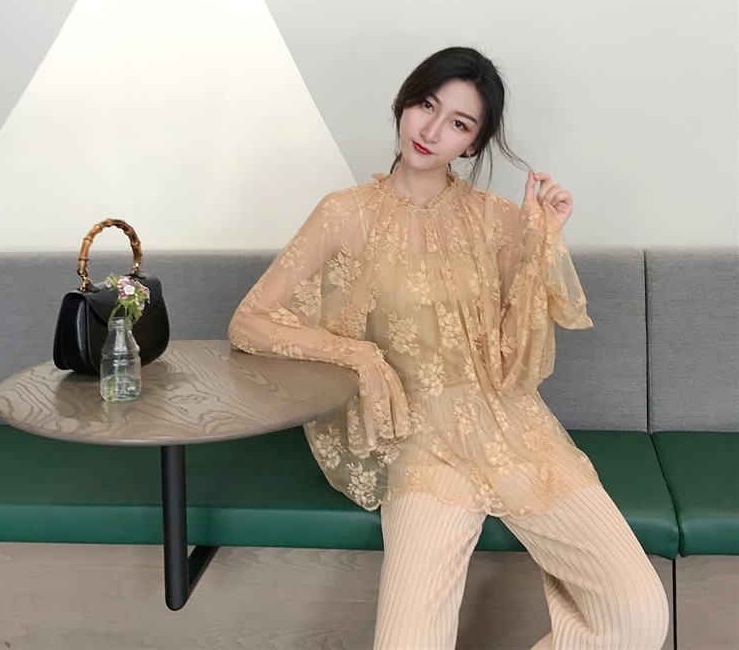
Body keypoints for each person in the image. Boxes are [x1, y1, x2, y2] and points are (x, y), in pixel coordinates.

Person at [229, 47, 669, 650]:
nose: (432, 130)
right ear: (404, 104)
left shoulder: (498, 220)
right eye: (426, 105)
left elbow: (516, 358)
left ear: (473, 143)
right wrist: (358, 355)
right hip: (420, 446)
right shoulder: (344, 213)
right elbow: (250, 320)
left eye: (459, 123)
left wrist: (542, 242)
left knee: (638, 614)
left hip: (515, 434)